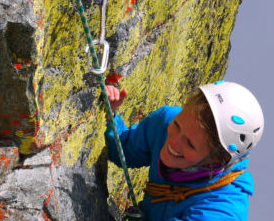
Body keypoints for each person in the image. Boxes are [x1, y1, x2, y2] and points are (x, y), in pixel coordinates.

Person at [105, 80, 264, 221]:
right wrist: (110, 113)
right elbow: (124, 149)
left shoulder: (222, 211)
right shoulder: (166, 121)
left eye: (190, 144)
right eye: (177, 125)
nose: (173, 142)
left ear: (218, 160)